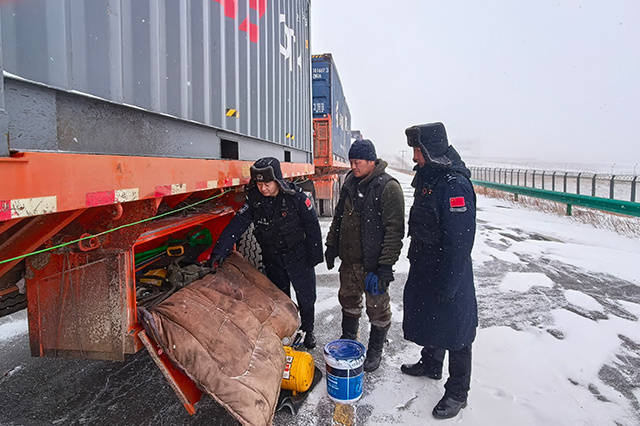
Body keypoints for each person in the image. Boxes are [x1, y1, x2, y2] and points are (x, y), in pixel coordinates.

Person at [400, 122, 478, 419]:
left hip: (448, 269)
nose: (414, 157)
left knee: (457, 330)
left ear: (429, 150)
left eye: (417, 150)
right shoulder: (430, 176)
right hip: (427, 265)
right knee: (432, 316)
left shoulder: (454, 184)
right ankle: (431, 363)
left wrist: (450, 282)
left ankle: (458, 391)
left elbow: (459, 241)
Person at [207, 157, 323, 349]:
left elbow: (312, 227)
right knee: (280, 299)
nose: (263, 188)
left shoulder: (296, 198)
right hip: (273, 258)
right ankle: (288, 331)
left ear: (277, 180)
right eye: (259, 184)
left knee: (306, 297)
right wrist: (219, 251)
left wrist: (315, 256)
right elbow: (237, 225)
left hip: (298, 256)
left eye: (267, 184)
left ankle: (308, 330)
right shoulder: (255, 200)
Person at [325, 139, 404, 372]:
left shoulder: (388, 187)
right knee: (348, 300)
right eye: (351, 161)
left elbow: (394, 231)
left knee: (377, 309)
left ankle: (375, 349)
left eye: (357, 162)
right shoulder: (350, 182)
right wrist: (331, 245)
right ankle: (349, 338)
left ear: (371, 161)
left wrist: (385, 267)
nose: (353, 166)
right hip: (350, 261)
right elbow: (339, 218)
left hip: (373, 265)